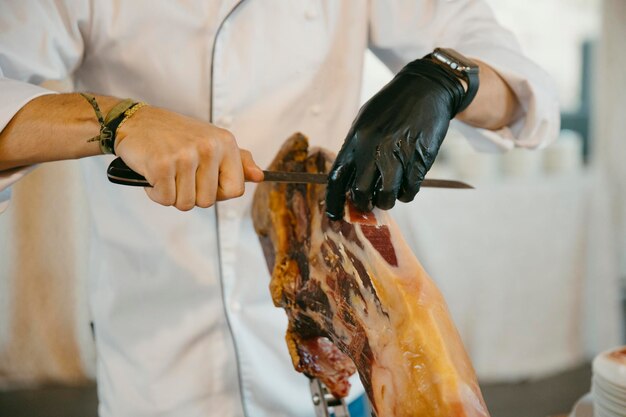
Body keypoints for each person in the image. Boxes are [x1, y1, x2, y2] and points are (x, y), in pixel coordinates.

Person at [0, 1, 559, 416]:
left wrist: (448, 77)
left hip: (342, 350)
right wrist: (118, 121)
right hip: (159, 366)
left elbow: (522, 83)